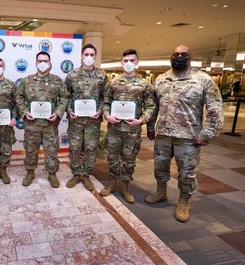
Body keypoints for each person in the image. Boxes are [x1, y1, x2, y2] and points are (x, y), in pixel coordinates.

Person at [145, 45, 224, 222]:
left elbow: (215, 110)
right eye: (176, 54)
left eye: (184, 54)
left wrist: (207, 133)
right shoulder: (161, 79)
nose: (179, 57)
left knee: (187, 173)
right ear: (170, 57)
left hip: (189, 137)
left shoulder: (203, 80)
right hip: (164, 134)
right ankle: (161, 192)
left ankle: (183, 201)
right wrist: (150, 126)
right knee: (160, 167)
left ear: (190, 58)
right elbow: (154, 106)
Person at [100, 49, 155, 203]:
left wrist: (141, 120)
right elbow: (105, 103)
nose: (128, 63)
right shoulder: (113, 83)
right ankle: (111, 183)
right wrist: (107, 116)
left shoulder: (144, 85)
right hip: (114, 130)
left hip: (133, 130)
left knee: (129, 160)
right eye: (125, 60)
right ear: (121, 62)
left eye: (132, 60)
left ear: (137, 62)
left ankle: (125, 187)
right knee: (112, 158)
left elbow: (151, 107)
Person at [15, 51, 70, 188]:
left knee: (51, 150)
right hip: (32, 124)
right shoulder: (26, 81)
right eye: (40, 61)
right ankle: (30, 172)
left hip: (50, 124)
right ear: (36, 63)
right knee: (30, 149)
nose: (43, 63)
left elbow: (64, 98)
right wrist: (24, 112)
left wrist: (57, 113)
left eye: (46, 61)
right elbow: (19, 97)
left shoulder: (57, 81)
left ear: (50, 63)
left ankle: (52, 174)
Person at [64, 44, 108, 191]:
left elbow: (105, 97)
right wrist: (69, 110)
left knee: (90, 148)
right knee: (75, 148)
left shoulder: (102, 75)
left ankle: (87, 175)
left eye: (91, 55)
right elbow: (66, 96)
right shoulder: (72, 75)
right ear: (81, 56)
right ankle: (76, 174)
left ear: (95, 56)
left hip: (93, 121)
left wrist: (100, 111)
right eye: (86, 54)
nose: (88, 57)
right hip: (75, 120)